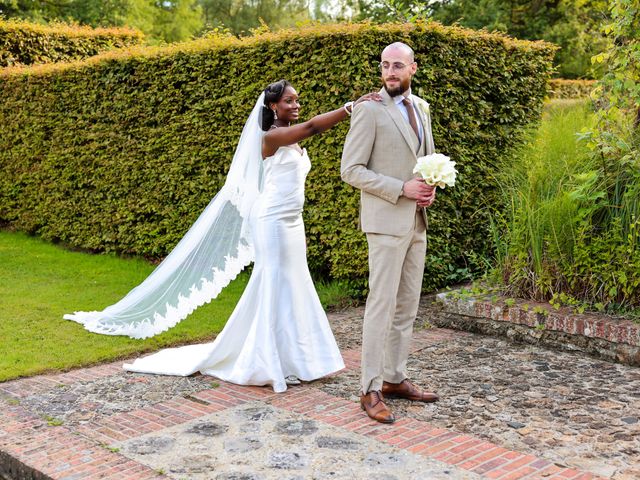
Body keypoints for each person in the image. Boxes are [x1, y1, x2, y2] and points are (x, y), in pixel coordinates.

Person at [65, 79, 380, 393]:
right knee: (271, 280)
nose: (296, 105)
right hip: (270, 220)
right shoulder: (271, 137)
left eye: (297, 100)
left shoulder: (287, 136)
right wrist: (349, 107)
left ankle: (300, 359)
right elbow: (312, 127)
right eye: (289, 101)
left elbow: (305, 131)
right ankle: (264, 360)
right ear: (273, 106)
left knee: (295, 281)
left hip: (292, 221)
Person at [341, 42, 440, 423]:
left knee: (406, 306)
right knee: (381, 306)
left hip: (416, 222)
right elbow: (351, 170)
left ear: (413, 68)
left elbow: (425, 159)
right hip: (384, 224)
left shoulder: (421, 108)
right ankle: (369, 388)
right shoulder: (368, 110)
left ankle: (395, 379)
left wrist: (428, 187)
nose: (390, 72)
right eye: (385, 66)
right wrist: (402, 188)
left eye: (397, 65)